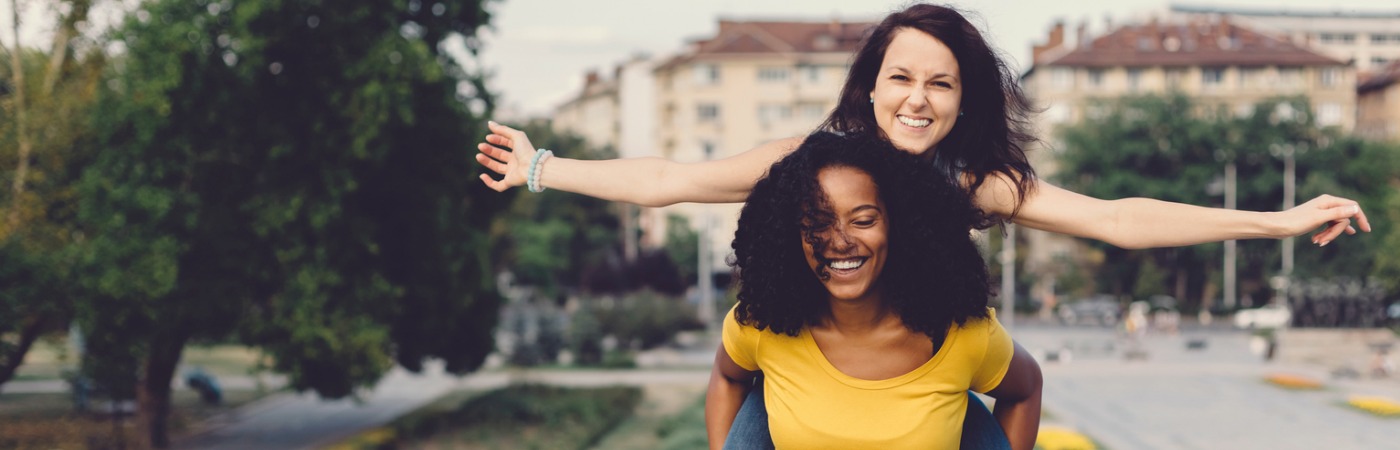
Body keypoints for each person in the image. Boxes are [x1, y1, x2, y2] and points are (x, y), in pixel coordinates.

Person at [475, 2, 1369, 447]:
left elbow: (1114, 219)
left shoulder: (971, 180)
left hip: (931, 368)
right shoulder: (813, 158)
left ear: (962, 100)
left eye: (941, 83)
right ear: (872, 85)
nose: (918, 98)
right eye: (901, 77)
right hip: (802, 362)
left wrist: (1278, 222)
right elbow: (670, 178)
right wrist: (544, 168)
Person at [706, 131, 1041, 450]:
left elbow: (1024, 390)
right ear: (792, 233)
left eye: (863, 221)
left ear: (901, 226)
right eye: (819, 223)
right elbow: (728, 376)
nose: (841, 242)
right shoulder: (764, 323)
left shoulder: (962, 335)